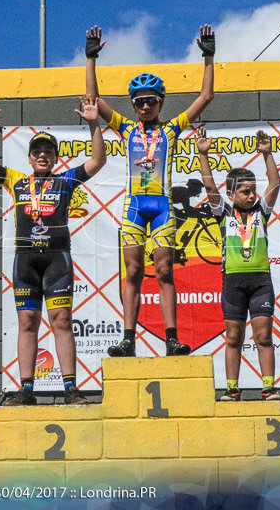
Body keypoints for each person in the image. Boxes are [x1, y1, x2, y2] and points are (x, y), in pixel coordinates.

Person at [85, 24, 215, 357]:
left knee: (164, 271)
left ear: (160, 104)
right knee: (132, 270)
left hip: (162, 207)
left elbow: (205, 97)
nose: (145, 107)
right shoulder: (125, 128)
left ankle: (171, 338)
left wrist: (208, 57)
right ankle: (128, 338)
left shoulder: (172, 130)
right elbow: (94, 100)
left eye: (151, 102)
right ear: (133, 104)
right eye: (140, 101)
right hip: (134, 206)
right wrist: (91, 58)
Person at [0, 94, 106, 405]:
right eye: (38, 152)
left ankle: (71, 388)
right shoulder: (17, 181)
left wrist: (93, 124)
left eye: (49, 151)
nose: (43, 155)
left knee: (61, 319)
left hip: (57, 261)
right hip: (26, 262)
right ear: (30, 158)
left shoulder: (65, 181)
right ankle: (26, 389)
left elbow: (98, 161)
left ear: (56, 158)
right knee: (27, 322)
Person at [195, 125, 280, 401]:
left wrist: (267, 154)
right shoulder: (223, 211)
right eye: (244, 191)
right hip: (233, 281)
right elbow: (209, 184)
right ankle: (232, 389)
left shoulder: (262, 211)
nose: (251, 195)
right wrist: (203, 154)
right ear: (231, 194)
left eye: (253, 190)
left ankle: (268, 386)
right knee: (233, 338)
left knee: (263, 336)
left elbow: (275, 184)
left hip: (260, 282)